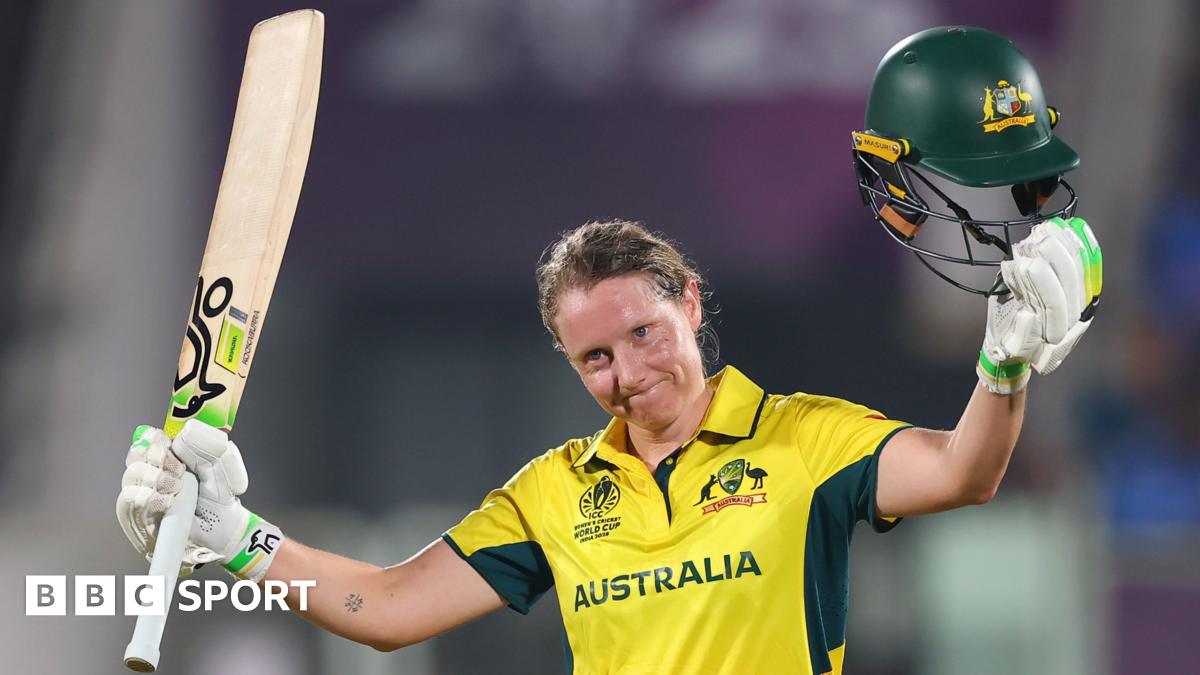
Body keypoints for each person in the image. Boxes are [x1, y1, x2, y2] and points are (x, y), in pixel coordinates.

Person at [116, 27, 1102, 675]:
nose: (627, 375)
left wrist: (1002, 369)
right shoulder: (550, 495)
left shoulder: (804, 443)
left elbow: (965, 471)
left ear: (692, 305)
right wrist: (236, 535)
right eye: (594, 359)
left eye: (643, 334)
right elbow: (385, 607)